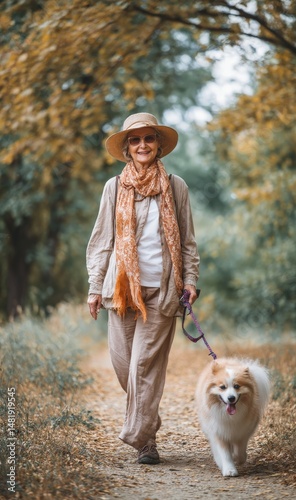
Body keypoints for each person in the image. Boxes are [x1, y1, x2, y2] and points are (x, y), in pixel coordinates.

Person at [86, 112, 199, 464]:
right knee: (124, 367)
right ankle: (148, 423)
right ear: (126, 149)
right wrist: (94, 286)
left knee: (144, 368)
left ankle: (141, 440)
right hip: (121, 292)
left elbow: (188, 242)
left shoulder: (176, 186)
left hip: (163, 291)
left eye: (148, 138)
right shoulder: (114, 187)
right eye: (135, 140)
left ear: (159, 144)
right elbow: (103, 239)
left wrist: (191, 280)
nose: (142, 145)